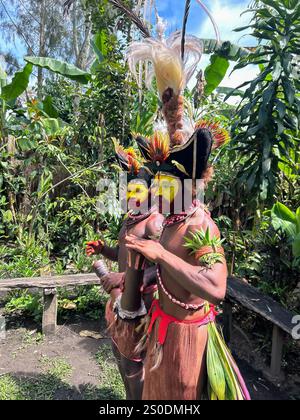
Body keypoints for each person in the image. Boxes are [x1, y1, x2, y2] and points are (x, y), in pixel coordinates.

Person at [86, 143, 164, 400]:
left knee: (134, 365)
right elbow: (123, 255)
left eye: (138, 190)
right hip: (121, 299)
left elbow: (165, 266)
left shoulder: (154, 223)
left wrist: (124, 277)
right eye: (129, 190)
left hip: (143, 305)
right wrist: (103, 250)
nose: (132, 195)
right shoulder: (132, 217)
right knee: (121, 359)